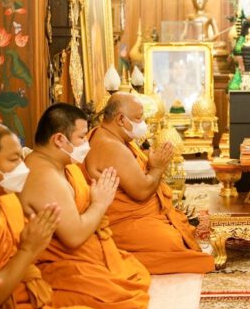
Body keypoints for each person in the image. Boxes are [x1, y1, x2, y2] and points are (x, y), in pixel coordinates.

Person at [19, 104, 151, 309]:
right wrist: (100, 203)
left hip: (85, 254)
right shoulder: (44, 177)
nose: (87, 144)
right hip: (60, 264)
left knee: (134, 273)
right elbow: (73, 237)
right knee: (123, 299)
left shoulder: (62, 164)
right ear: (59, 139)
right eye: (81, 137)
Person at [0, 120, 100, 309]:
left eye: (21, 157)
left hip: (28, 291)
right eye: (13, 160)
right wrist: (28, 249)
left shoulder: (6, 198)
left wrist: (35, 241)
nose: (23, 167)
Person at [85, 92, 215, 275]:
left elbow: (132, 171)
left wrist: (149, 161)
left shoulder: (110, 136)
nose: (142, 124)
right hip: (121, 223)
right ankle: (116, 256)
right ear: (121, 119)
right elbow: (142, 191)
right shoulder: (111, 146)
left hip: (138, 215)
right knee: (172, 242)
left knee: (178, 227)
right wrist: (158, 167)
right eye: (138, 118)